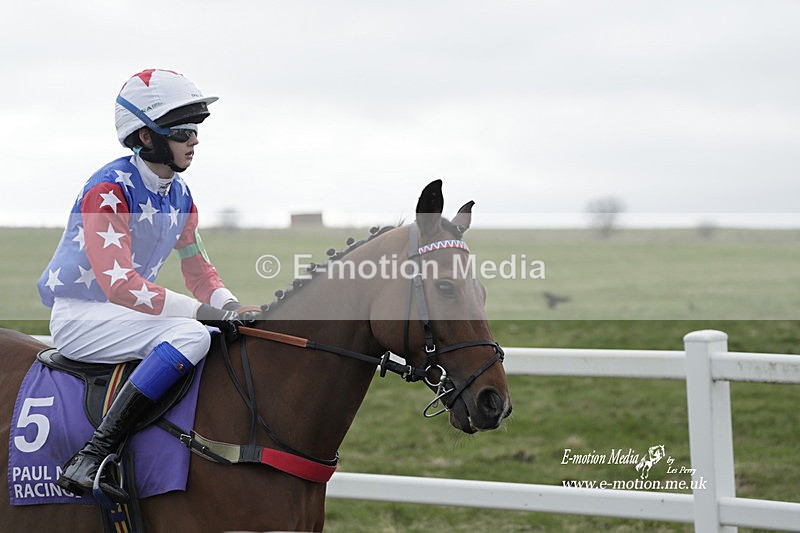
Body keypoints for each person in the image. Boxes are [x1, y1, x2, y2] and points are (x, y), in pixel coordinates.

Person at [36, 68, 257, 502]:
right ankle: (95, 452)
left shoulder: (181, 194)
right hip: (83, 317)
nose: (195, 140)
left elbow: (199, 274)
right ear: (146, 137)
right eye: (183, 131)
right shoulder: (107, 189)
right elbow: (119, 285)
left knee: (218, 332)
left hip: (128, 315)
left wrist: (229, 306)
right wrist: (201, 313)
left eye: (196, 130)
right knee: (193, 333)